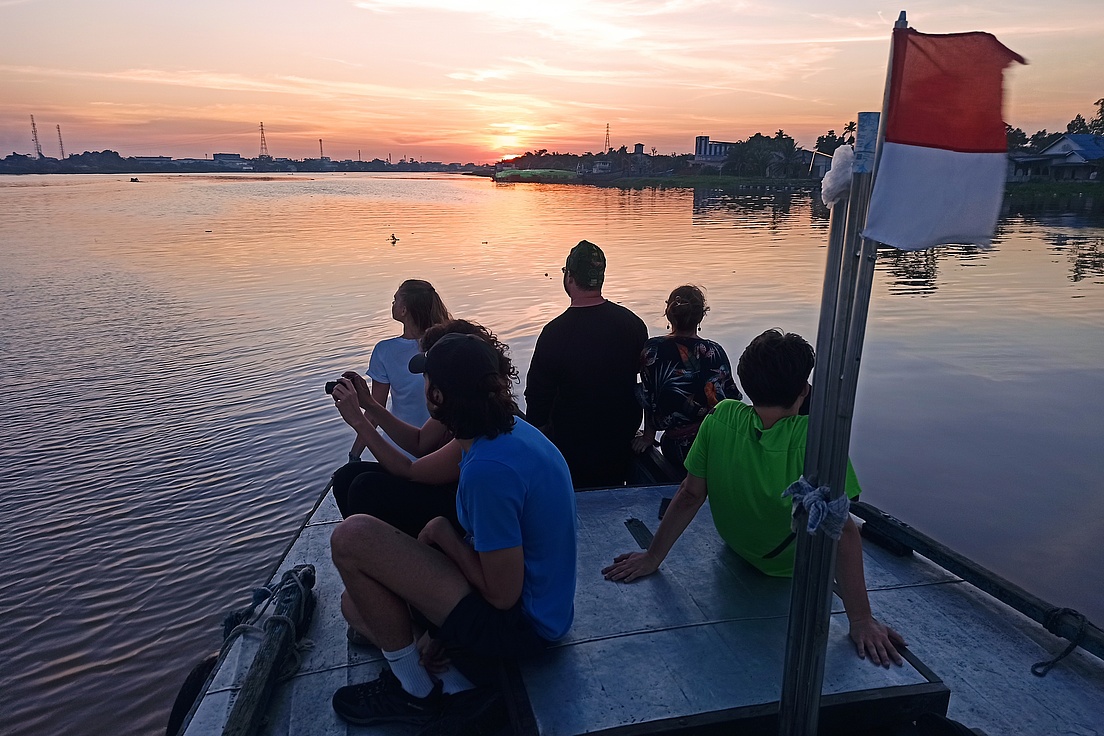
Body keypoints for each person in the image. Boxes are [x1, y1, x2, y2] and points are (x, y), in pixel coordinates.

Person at [603, 329, 906, 666]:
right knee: (840, 518)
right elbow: (842, 531)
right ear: (803, 391)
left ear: (746, 384)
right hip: (789, 567)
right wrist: (861, 620)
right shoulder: (814, 440)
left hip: (738, 545)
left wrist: (652, 556)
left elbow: (690, 494)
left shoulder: (720, 418)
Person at [328, 333, 577, 726]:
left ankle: (416, 693)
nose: (422, 386)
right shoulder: (502, 431)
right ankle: (446, 670)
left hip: (525, 627)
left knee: (350, 537)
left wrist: (444, 534)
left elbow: (502, 595)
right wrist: (368, 410)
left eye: (427, 380)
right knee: (353, 605)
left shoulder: (489, 471)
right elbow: (412, 469)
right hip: (532, 608)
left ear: (438, 397)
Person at [331, 319, 516, 538]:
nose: (424, 381)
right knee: (347, 476)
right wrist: (370, 404)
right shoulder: (467, 402)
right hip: (451, 495)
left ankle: (393, 560)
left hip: (461, 510)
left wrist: (359, 422)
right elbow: (420, 443)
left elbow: (411, 472)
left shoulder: (482, 425)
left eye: (428, 372)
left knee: (365, 488)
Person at [525, 240, 648, 488]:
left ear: (569, 277)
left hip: (571, 444)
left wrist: (536, 439)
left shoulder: (554, 333)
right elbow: (645, 381)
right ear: (600, 278)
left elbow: (538, 397)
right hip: (619, 436)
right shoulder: (633, 324)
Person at [633, 285, 741, 472]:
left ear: (669, 314)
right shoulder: (714, 351)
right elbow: (730, 401)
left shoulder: (653, 349)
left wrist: (648, 436)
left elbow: (648, 396)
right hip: (714, 443)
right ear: (700, 317)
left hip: (676, 445)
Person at [349, 279, 450, 464]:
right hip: (443, 449)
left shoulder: (385, 351)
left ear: (404, 310)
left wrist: (354, 455)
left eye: (395, 300)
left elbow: (374, 410)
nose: (392, 304)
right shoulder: (447, 345)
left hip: (399, 451)